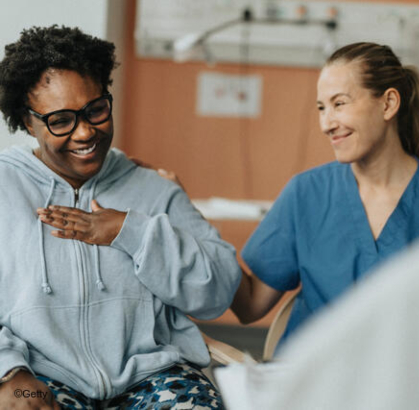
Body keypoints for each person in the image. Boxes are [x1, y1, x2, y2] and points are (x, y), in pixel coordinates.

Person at [215, 0, 419, 408]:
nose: (326, 123)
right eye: (322, 108)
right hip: (309, 391)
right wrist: (192, 232)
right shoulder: (307, 193)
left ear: (388, 104)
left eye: (340, 103)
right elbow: (250, 306)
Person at [0, 26, 241, 409]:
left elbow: (218, 290)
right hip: (38, 375)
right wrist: (8, 372)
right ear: (28, 123)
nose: (85, 132)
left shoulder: (153, 189)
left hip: (155, 377)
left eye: (95, 110)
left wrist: (131, 232)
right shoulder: (4, 186)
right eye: (61, 120)